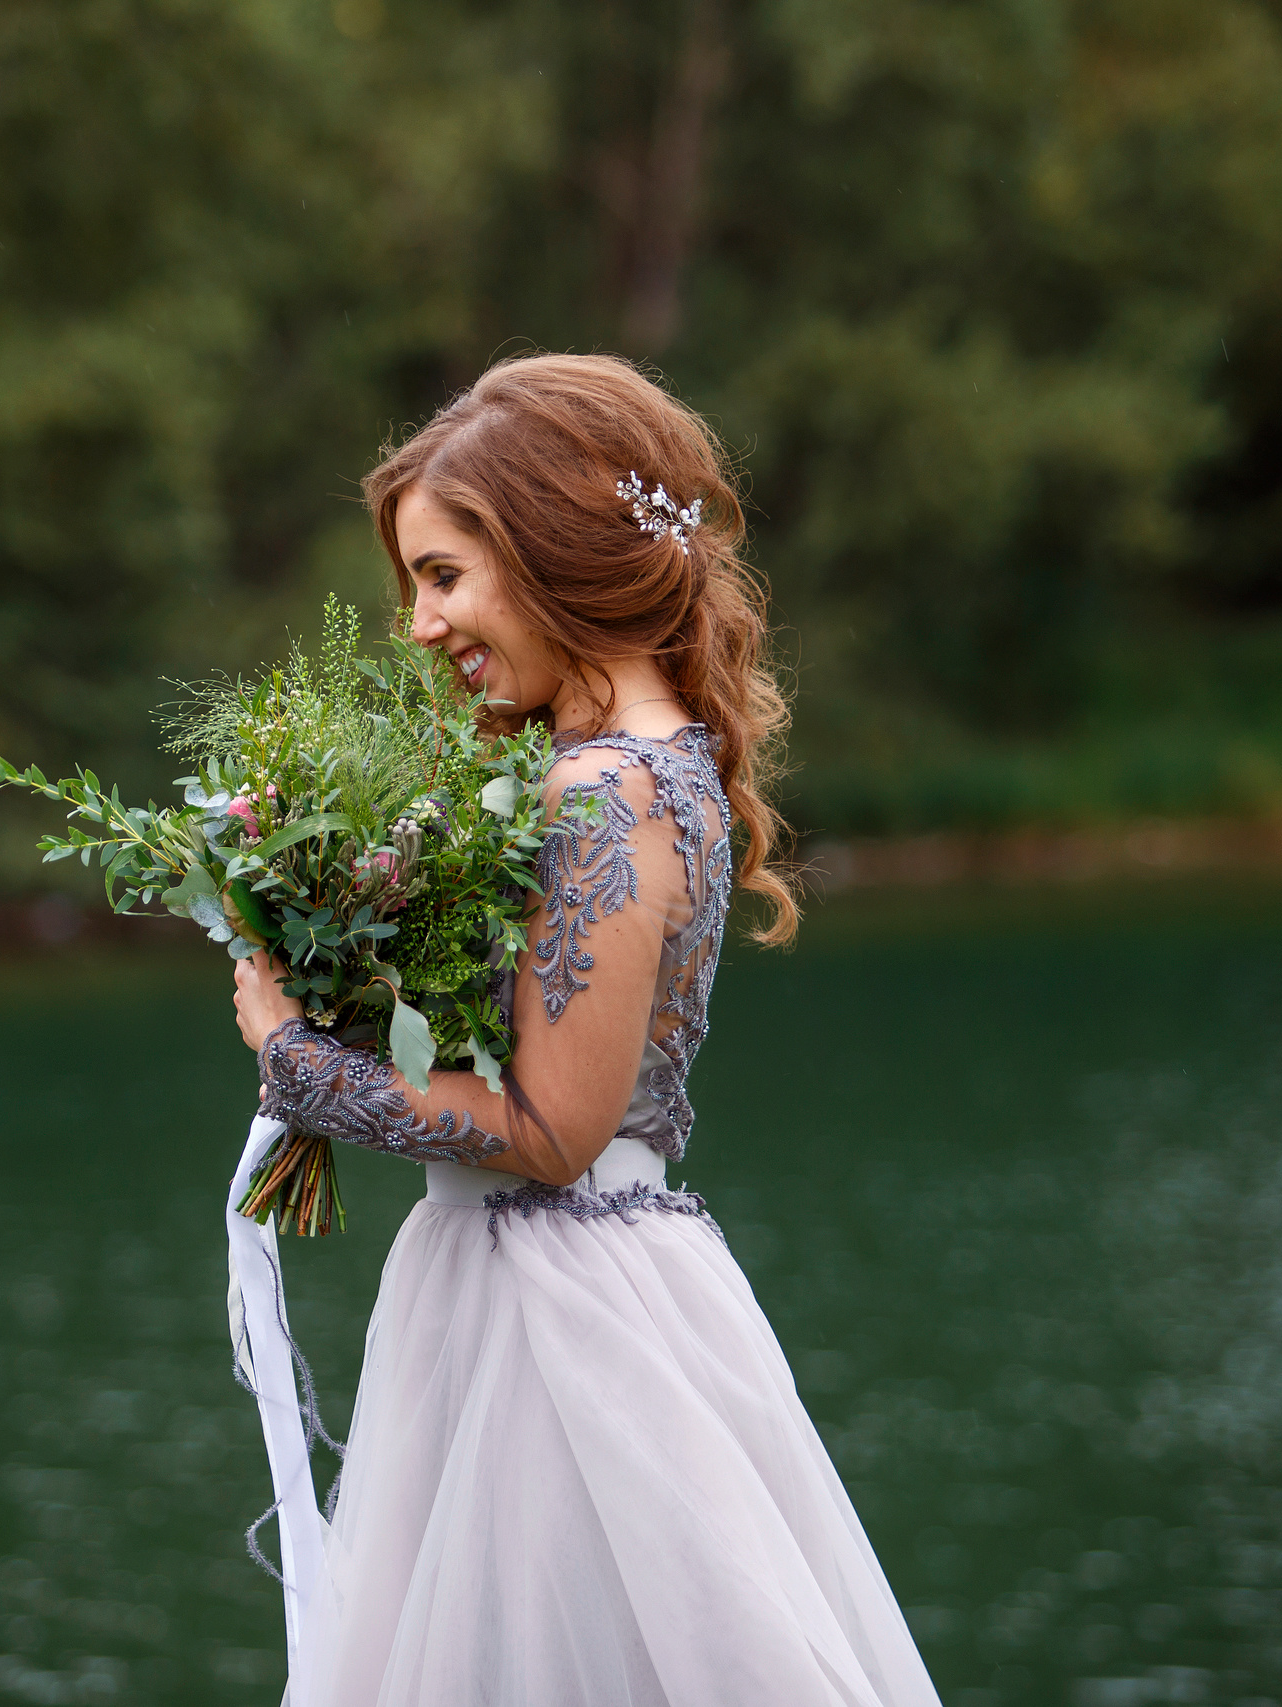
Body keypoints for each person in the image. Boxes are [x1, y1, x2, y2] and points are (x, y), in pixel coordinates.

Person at [229, 352, 940, 1707]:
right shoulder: (623, 761)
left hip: (556, 1320)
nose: (420, 626)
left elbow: (556, 1134)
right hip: (552, 1284)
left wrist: (298, 1059)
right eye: (413, 587)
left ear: (551, 551)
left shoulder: (602, 792)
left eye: (443, 577)